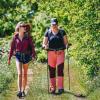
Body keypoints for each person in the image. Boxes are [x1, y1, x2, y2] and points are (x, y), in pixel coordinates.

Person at [8, 22, 36, 97]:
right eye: (23, 26)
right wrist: (9, 58)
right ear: (19, 28)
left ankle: (23, 90)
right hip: (18, 56)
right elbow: (12, 48)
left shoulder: (28, 37)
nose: (24, 27)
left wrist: (34, 55)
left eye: (25, 26)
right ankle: (19, 91)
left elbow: (32, 47)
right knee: (20, 74)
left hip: (26, 56)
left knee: (25, 74)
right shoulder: (15, 37)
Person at [42, 18, 68, 94]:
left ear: (57, 24)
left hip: (60, 53)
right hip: (51, 53)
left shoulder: (62, 32)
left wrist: (65, 48)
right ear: (51, 24)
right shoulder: (48, 32)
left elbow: (66, 43)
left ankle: (60, 88)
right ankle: (52, 88)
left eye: (55, 24)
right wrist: (44, 46)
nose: (54, 25)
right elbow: (44, 43)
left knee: (60, 69)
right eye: (52, 24)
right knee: (52, 71)